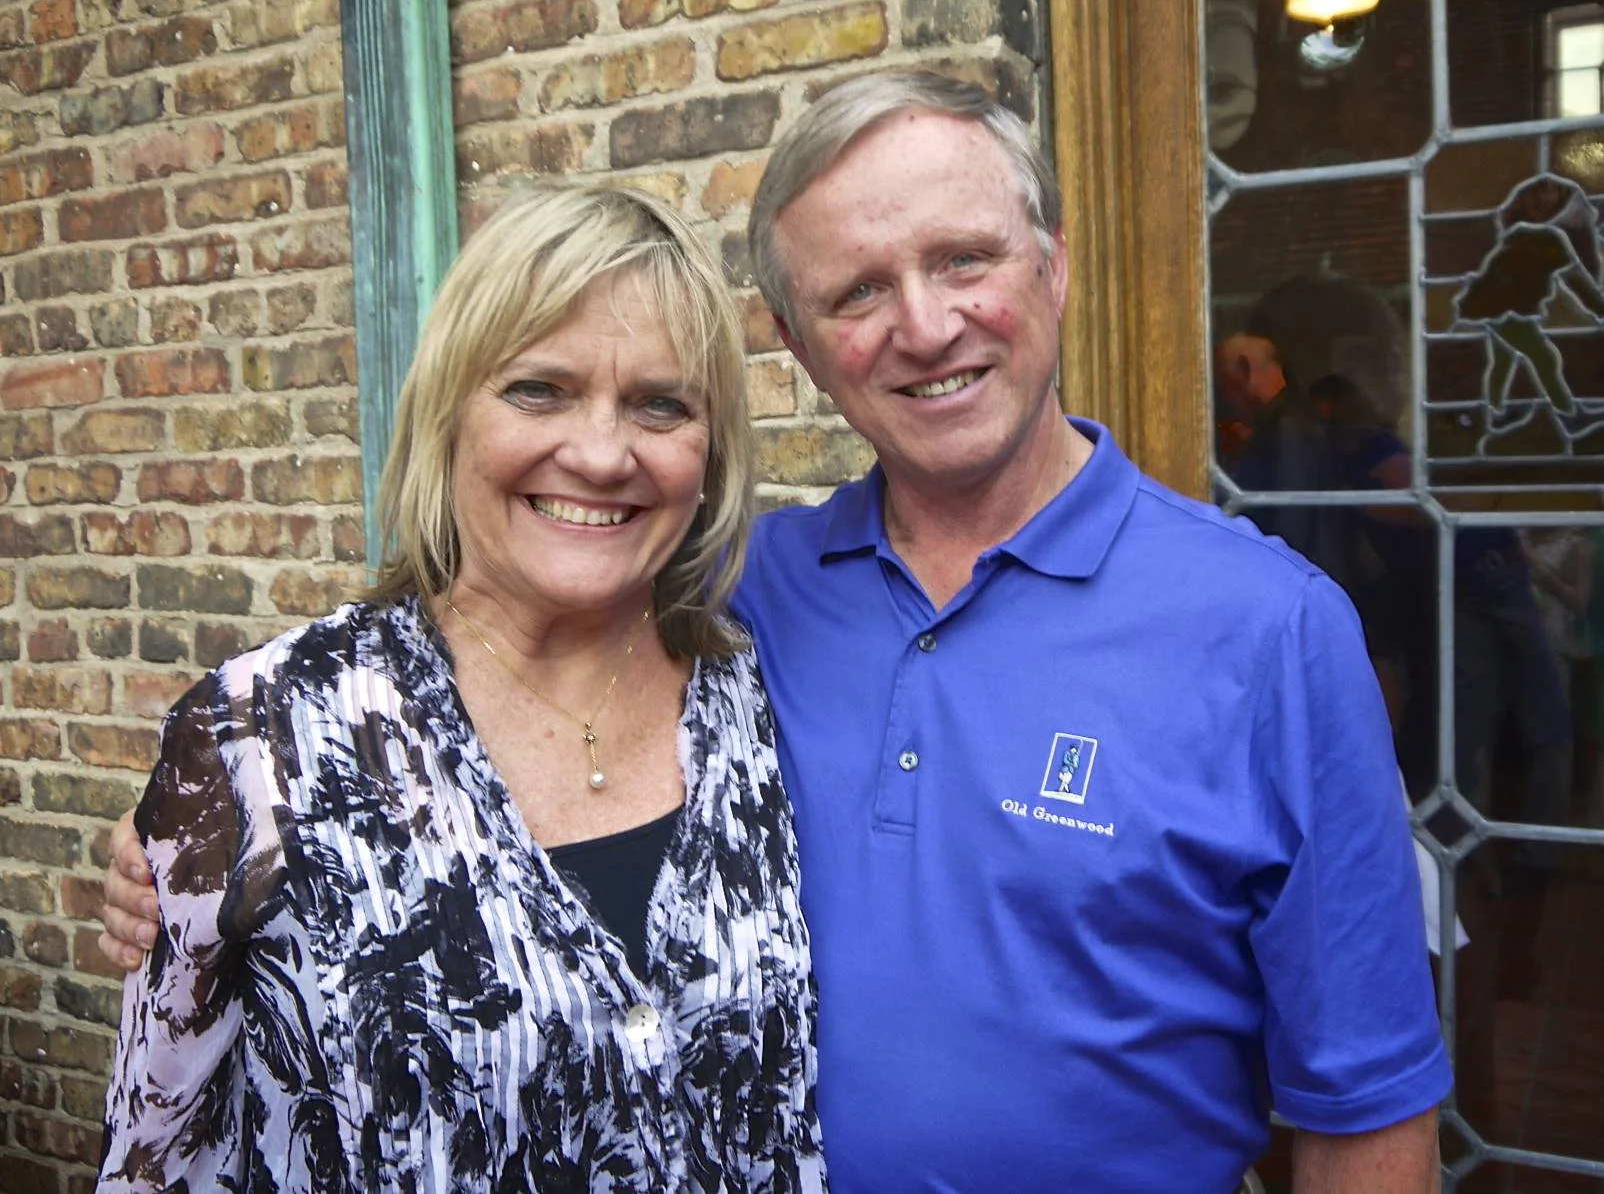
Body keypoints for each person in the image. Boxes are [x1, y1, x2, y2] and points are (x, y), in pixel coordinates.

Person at [103, 73, 1450, 1192]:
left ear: (1051, 267)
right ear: (799, 345)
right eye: (856, 291)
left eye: (964, 259)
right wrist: (198, 844)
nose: (924, 324)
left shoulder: (1270, 630)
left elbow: (1366, 1106)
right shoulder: (735, 598)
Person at [95, 184, 826, 1192]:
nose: (601, 453)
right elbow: (158, 1143)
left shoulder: (760, 690)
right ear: (449, 412)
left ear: (711, 452)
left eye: (661, 404)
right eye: (539, 390)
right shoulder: (265, 737)